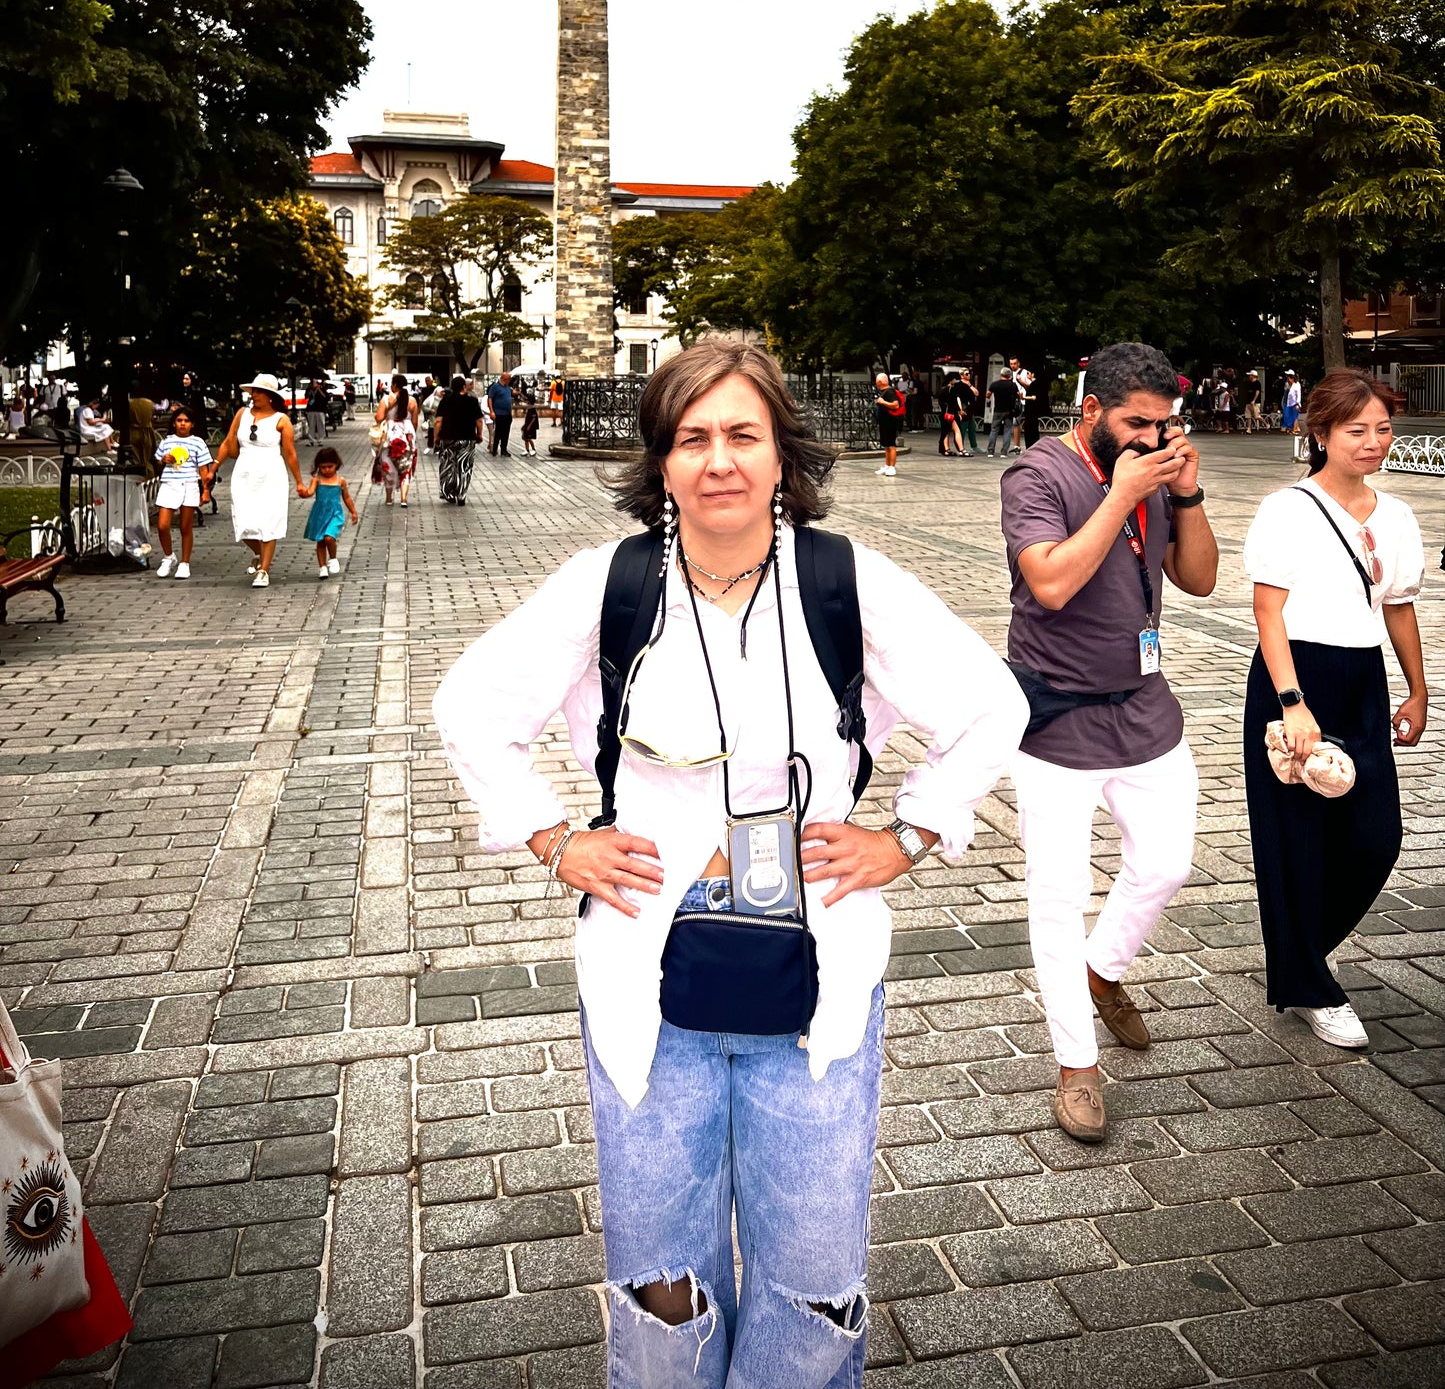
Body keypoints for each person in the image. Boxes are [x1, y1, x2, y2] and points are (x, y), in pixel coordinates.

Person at [432, 340, 1027, 1388]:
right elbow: (470, 705)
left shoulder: (845, 580)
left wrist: (908, 834)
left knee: (812, 1276)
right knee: (662, 1274)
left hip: (820, 961)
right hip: (642, 965)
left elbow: (991, 706)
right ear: (659, 461)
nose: (719, 460)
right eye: (692, 437)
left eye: (742, 435)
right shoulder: (607, 586)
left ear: (780, 453)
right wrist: (551, 834)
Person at [1000, 341, 1219, 1142]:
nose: (1152, 438)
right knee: (1057, 895)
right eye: (1136, 422)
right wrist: (1119, 494)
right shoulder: (1035, 474)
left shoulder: (1157, 472)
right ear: (1090, 409)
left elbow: (1197, 579)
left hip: (1143, 705)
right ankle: (1075, 1067)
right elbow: (1050, 580)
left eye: (1164, 425)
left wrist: (1185, 495)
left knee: (1166, 863)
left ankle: (1102, 971)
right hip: (1055, 716)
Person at [1241, 368, 1424, 1048]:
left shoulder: (1397, 515)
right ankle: (1310, 985)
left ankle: (1302, 949)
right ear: (1320, 433)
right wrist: (1291, 700)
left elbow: (1397, 606)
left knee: (1376, 833)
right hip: (1294, 674)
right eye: (1356, 430)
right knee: (1295, 834)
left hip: (1362, 677)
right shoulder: (1286, 508)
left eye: (1381, 428)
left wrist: (1417, 687)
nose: (1372, 441)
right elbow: (1268, 609)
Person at [212, 373, 303, 588]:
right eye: (253, 391)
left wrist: (299, 481)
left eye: (259, 391)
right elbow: (227, 442)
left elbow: (290, 453)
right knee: (243, 523)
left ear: (270, 396)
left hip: (271, 473)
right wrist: (213, 467)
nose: (255, 395)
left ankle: (264, 570)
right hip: (244, 472)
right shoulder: (242, 414)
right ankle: (259, 552)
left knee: (268, 522)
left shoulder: (281, 420)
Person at [153, 405, 215, 580]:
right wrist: (163, 460)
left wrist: (205, 491)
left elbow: (203, 470)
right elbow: (157, 462)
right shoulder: (166, 442)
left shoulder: (198, 442)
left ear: (192, 424)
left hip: (189, 484)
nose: (182, 424)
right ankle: (168, 556)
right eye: (179, 421)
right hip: (169, 483)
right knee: (163, 525)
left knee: (185, 526)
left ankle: (185, 562)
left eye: (186, 421)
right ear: (174, 423)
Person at [300, 446, 359, 579]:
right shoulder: (316, 480)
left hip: (335, 513)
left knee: (329, 537)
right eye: (323, 467)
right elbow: (310, 492)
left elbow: (347, 497)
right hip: (319, 514)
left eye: (330, 466)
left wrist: (353, 511)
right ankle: (322, 567)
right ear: (318, 466)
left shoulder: (340, 481)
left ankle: (332, 558)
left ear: (336, 465)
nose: (326, 470)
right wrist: (305, 493)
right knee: (320, 541)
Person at [435, 374, 484, 504]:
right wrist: (479, 434)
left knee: (448, 465)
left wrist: (436, 438)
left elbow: (438, 421)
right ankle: (461, 494)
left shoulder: (445, 401)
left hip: (448, 437)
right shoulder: (472, 401)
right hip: (467, 438)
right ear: (464, 387)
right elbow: (479, 420)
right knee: (464, 466)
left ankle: (448, 493)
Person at [374, 374, 419, 505]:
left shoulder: (386, 400)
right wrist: (411, 436)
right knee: (406, 467)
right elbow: (415, 422)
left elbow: (378, 418)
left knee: (388, 465)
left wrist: (389, 407)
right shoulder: (412, 401)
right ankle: (404, 498)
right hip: (407, 435)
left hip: (390, 435)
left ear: (394, 385)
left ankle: (389, 498)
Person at [874, 369, 905, 476]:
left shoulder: (889, 391)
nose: (876, 383)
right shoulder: (884, 392)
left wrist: (883, 402)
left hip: (891, 422)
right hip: (885, 422)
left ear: (880, 382)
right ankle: (887, 465)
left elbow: (895, 405)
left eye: (877, 381)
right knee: (886, 445)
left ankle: (892, 467)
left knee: (891, 444)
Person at [986, 366, 1016, 456]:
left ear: (1001, 374)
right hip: (1009, 411)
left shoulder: (994, 384)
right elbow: (1018, 395)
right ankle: (1004, 452)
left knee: (994, 430)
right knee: (1007, 430)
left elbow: (988, 395)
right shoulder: (1012, 385)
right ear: (1009, 375)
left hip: (997, 410)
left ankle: (991, 451)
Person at [1010, 357, 1037, 451]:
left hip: (1025, 400)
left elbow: (1031, 386)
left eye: (1014, 363)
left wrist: (1021, 381)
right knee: (1015, 423)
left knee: (1027, 423)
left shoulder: (1025, 373)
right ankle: (1017, 446)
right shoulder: (1010, 374)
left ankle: (1030, 444)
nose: (1012, 365)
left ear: (1018, 364)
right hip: (1016, 401)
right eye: (1011, 364)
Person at [487, 369, 515, 456]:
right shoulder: (495, 387)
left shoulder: (507, 387)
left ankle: (504, 449)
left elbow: (511, 394)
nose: (510, 380)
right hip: (498, 413)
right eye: (509, 379)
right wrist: (491, 411)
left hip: (507, 414)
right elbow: (490, 398)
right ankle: (494, 449)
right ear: (504, 378)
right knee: (498, 432)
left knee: (506, 432)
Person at [302, 376, 329, 445]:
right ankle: (311, 440)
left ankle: (320, 440)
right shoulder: (309, 389)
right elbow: (306, 397)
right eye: (313, 382)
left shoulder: (322, 388)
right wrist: (311, 390)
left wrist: (319, 389)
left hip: (320, 409)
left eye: (315, 382)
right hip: (311, 409)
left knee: (321, 425)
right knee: (311, 425)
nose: (314, 384)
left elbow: (326, 397)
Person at [1282, 370, 1303, 435]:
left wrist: (1297, 403)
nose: (1288, 380)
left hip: (1294, 403)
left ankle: (1294, 429)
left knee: (1294, 416)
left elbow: (1298, 394)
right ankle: (1291, 428)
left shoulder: (1296, 385)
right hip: (1288, 403)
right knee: (1287, 416)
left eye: (1289, 378)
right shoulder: (1287, 384)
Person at [520, 391, 540, 457]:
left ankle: (533, 449)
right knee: (525, 438)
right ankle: (527, 449)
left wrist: (529, 426)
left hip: (530, 427)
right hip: (527, 425)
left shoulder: (532, 409)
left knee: (529, 439)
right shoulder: (529, 409)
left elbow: (534, 418)